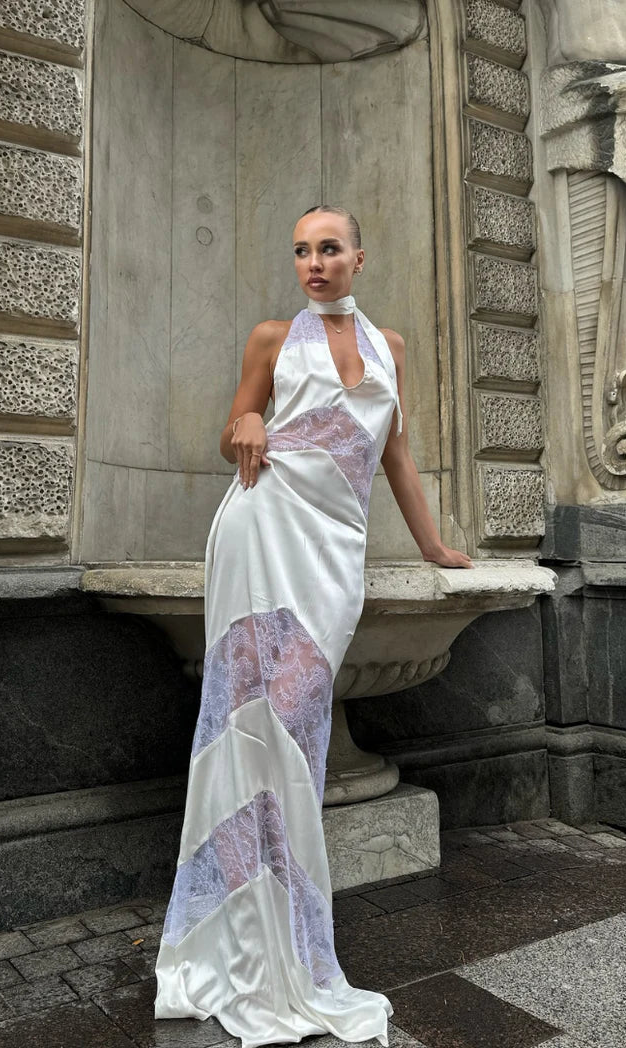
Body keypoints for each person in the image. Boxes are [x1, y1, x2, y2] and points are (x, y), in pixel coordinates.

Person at [154, 205, 472, 1048]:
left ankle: (290, 933)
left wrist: (434, 545)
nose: (314, 263)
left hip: (331, 555)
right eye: (302, 250)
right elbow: (233, 433)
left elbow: (394, 455)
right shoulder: (270, 338)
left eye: (329, 248)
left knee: (294, 726)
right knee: (245, 727)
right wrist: (247, 422)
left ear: (358, 258)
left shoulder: (389, 348)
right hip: (260, 532)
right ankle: (242, 939)